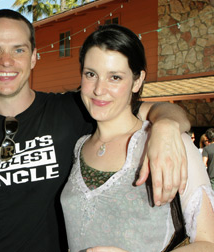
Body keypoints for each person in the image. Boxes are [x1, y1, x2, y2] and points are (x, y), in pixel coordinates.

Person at [0, 9, 190, 252]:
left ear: (34, 57)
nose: (6, 60)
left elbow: (159, 110)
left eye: (19, 49)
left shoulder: (74, 109)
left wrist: (165, 127)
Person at [60, 24, 214, 252]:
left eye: (115, 77)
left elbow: (208, 242)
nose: (99, 89)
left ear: (137, 80)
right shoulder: (78, 146)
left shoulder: (168, 140)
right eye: (91, 74)